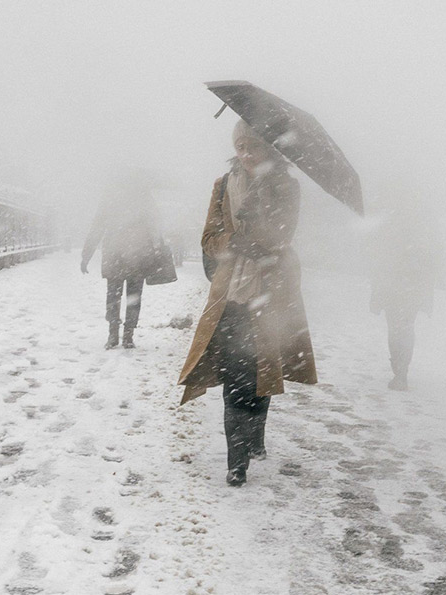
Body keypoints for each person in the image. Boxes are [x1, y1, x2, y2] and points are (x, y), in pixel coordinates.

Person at [178, 120, 317, 487]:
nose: (246, 153)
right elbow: (209, 237)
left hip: (272, 293)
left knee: (262, 370)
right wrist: (233, 241)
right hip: (231, 295)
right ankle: (236, 461)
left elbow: (286, 233)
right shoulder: (223, 186)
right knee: (237, 375)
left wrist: (262, 219)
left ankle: (255, 436)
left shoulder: (287, 186)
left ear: (269, 147)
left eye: (253, 145)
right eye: (240, 146)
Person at [367, 193, 443, 390]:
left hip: (398, 285)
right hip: (409, 287)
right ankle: (401, 371)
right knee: (405, 327)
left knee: (397, 328)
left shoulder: (394, 226)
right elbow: (432, 261)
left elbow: (382, 258)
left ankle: (400, 371)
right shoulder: (424, 229)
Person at [81, 174, 161, 349]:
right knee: (133, 297)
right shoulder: (144, 197)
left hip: (116, 255)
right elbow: (155, 224)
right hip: (137, 255)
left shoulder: (110, 197)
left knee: (113, 297)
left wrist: (86, 255)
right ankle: (128, 335)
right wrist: (157, 249)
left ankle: (113, 334)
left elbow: (97, 228)